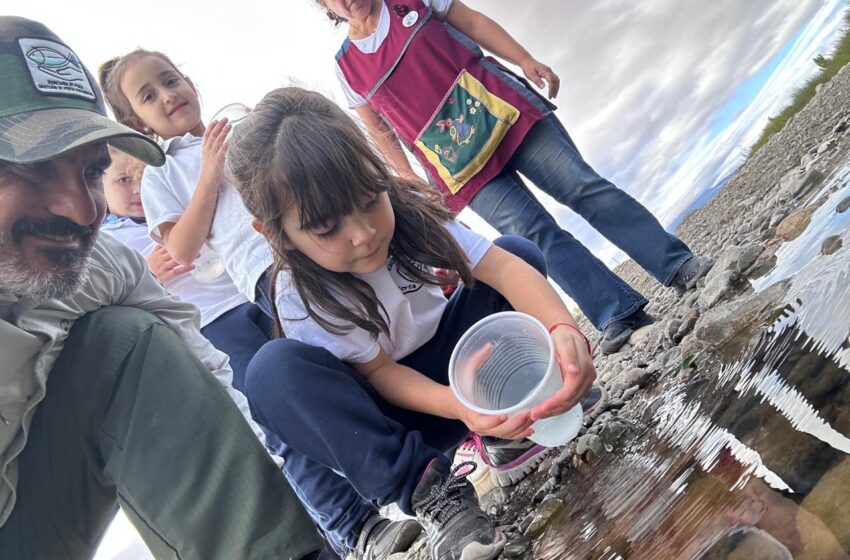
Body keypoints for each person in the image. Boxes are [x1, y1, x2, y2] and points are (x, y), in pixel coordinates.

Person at [227, 86, 598, 560]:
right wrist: (458, 406)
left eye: (368, 201)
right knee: (271, 370)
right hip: (397, 412)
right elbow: (381, 374)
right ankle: (434, 495)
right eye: (327, 229)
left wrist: (564, 330)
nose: (363, 235)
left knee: (514, 252)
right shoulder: (298, 294)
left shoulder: (409, 214)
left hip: (466, 367)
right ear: (275, 233)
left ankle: (509, 425)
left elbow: (503, 270)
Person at [0, 16, 323, 559]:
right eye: (28, 169)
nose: (81, 212)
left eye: (89, 172)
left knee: (123, 340)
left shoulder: (100, 267)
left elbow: (193, 359)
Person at [98, 48, 420, 560]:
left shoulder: (242, 129)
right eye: (149, 96)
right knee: (277, 410)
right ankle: (353, 523)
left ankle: (416, 456)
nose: (168, 95)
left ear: (191, 79)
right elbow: (180, 249)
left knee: (349, 362)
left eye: (170, 79)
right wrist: (208, 173)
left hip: (288, 273)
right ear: (137, 121)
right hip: (227, 315)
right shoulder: (162, 173)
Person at [318, 0, 715, 354]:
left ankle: (677, 265)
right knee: (533, 236)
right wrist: (406, 178)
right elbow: (378, 128)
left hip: (501, 109)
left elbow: (472, 23)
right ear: (324, 6)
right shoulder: (345, 67)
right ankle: (616, 311)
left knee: (584, 189)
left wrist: (525, 59)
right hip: (456, 162)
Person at [99, 146, 272, 391]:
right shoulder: (108, 238)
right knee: (259, 387)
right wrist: (149, 274)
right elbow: (108, 303)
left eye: (141, 177)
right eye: (123, 180)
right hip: (208, 320)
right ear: (100, 185)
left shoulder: (172, 203)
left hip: (247, 294)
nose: (137, 189)